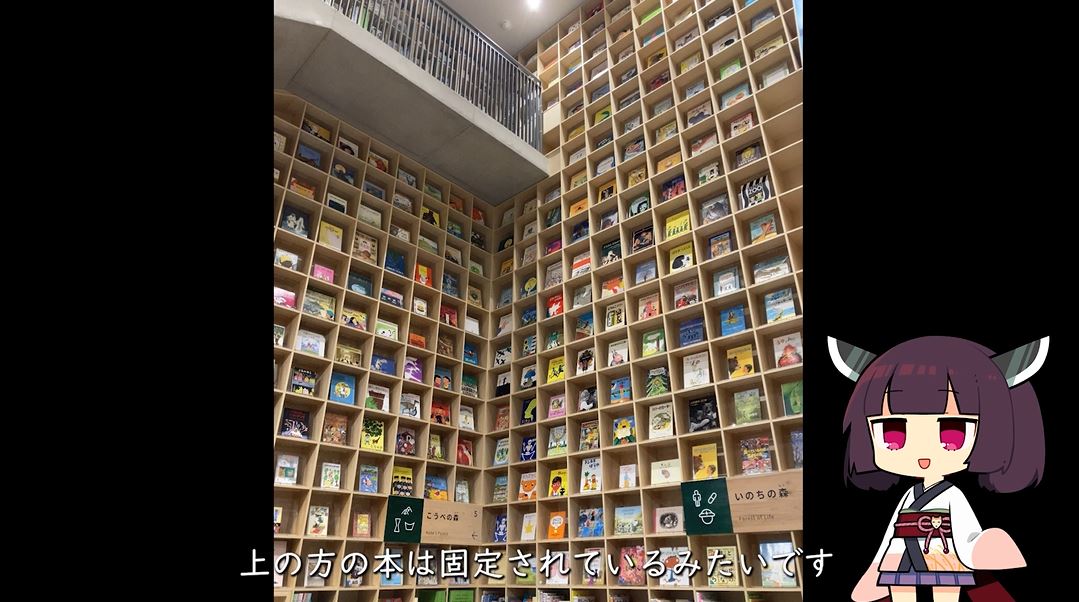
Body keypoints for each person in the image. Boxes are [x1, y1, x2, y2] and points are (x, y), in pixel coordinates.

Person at [832, 336, 1046, 602]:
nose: (922, 451)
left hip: (940, 551)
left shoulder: (952, 495)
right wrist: (875, 567)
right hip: (901, 552)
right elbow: (891, 533)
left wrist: (978, 547)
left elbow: (965, 529)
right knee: (900, 593)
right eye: (893, 433)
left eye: (952, 432)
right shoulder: (909, 496)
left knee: (945, 594)